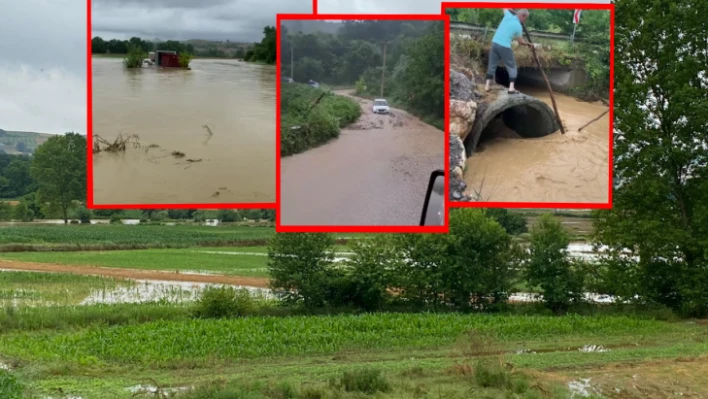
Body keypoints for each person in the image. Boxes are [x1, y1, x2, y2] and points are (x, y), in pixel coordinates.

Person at [484, 8, 533, 94]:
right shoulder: (518, 26)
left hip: (495, 43)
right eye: (525, 18)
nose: (525, 20)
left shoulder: (508, 15)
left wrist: (510, 9)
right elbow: (520, 42)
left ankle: (487, 85)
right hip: (504, 46)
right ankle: (511, 88)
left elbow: (504, 7)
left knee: (492, 64)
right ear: (522, 16)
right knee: (512, 66)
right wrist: (528, 44)